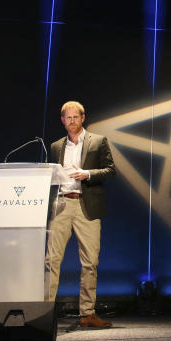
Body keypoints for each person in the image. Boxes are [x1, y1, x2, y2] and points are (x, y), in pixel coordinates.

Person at [46, 100, 116, 328]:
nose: (72, 121)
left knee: (90, 262)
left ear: (83, 118)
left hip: (87, 205)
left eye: (75, 117)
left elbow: (110, 170)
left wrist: (87, 173)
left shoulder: (98, 141)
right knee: (51, 260)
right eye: (68, 117)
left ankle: (87, 313)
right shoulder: (56, 146)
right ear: (62, 120)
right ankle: (44, 312)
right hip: (62, 205)